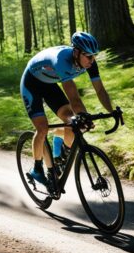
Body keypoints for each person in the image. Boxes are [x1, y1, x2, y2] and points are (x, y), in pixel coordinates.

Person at [20, 31, 115, 188]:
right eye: (89, 56)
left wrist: (112, 112)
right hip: (32, 83)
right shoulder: (62, 61)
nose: (92, 60)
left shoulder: (90, 62)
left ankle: (60, 151)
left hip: (49, 83)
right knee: (42, 128)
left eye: (94, 56)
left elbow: (100, 91)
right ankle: (37, 169)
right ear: (76, 52)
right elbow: (74, 98)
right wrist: (85, 116)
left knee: (71, 120)